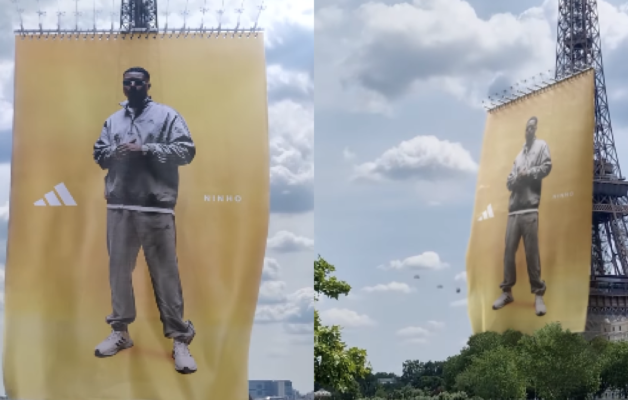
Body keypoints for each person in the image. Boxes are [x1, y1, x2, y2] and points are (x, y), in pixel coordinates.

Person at [92, 66, 197, 374]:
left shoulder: (167, 116)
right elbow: (99, 155)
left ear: (148, 85)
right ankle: (121, 332)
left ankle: (180, 339)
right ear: (123, 86)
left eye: (138, 81)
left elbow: (186, 151)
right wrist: (116, 153)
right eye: (128, 82)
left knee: (165, 275)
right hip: (119, 205)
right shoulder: (113, 121)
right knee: (118, 272)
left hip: (155, 206)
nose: (133, 85)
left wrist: (146, 149)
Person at [492, 116, 552, 317]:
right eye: (527, 128)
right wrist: (517, 177)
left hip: (530, 208)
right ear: (524, 130)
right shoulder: (517, 157)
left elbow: (546, 167)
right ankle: (507, 292)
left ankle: (538, 294)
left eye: (533, 127)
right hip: (514, 210)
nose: (530, 131)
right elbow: (509, 183)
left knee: (531, 253)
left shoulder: (542, 146)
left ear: (536, 130)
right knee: (508, 251)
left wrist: (529, 173)